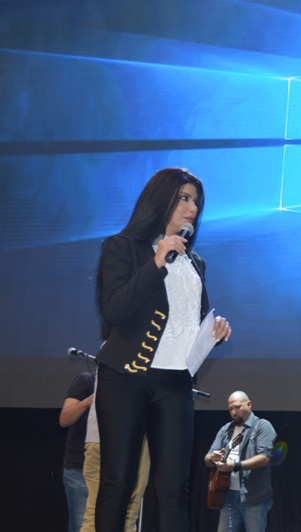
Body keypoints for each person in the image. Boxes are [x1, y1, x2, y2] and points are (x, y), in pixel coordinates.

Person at [93, 167, 232, 531]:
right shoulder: (123, 247)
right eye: (184, 198)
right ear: (161, 199)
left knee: (173, 491)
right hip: (125, 378)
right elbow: (114, 310)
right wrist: (156, 261)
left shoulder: (195, 263)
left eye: (196, 202)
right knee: (118, 483)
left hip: (175, 383)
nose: (193, 208)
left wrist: (214, 329)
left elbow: (189, 321)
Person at [81, 374, 150, 532]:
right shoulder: (146, 358)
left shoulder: (107, 357)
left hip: (97, 435)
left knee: (94, 512)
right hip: (131, 439)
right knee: (128, 512)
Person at [205, 391, 277, 532]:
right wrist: (213, 458)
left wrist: (234, 466)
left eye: (237, 407)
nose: (233, 412)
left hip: (254, 497)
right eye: (230, 409)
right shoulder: (226, 429)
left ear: (249, 404)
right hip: (227, 495)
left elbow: (264, 458)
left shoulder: (262, 426)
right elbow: (207, 458)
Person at [60, 371, 95, 532]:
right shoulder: (87, 380)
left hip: (112, 471)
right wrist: (87, 402)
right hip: (79, 469)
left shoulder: (127, 386)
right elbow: (64, 419)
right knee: (81, 526)